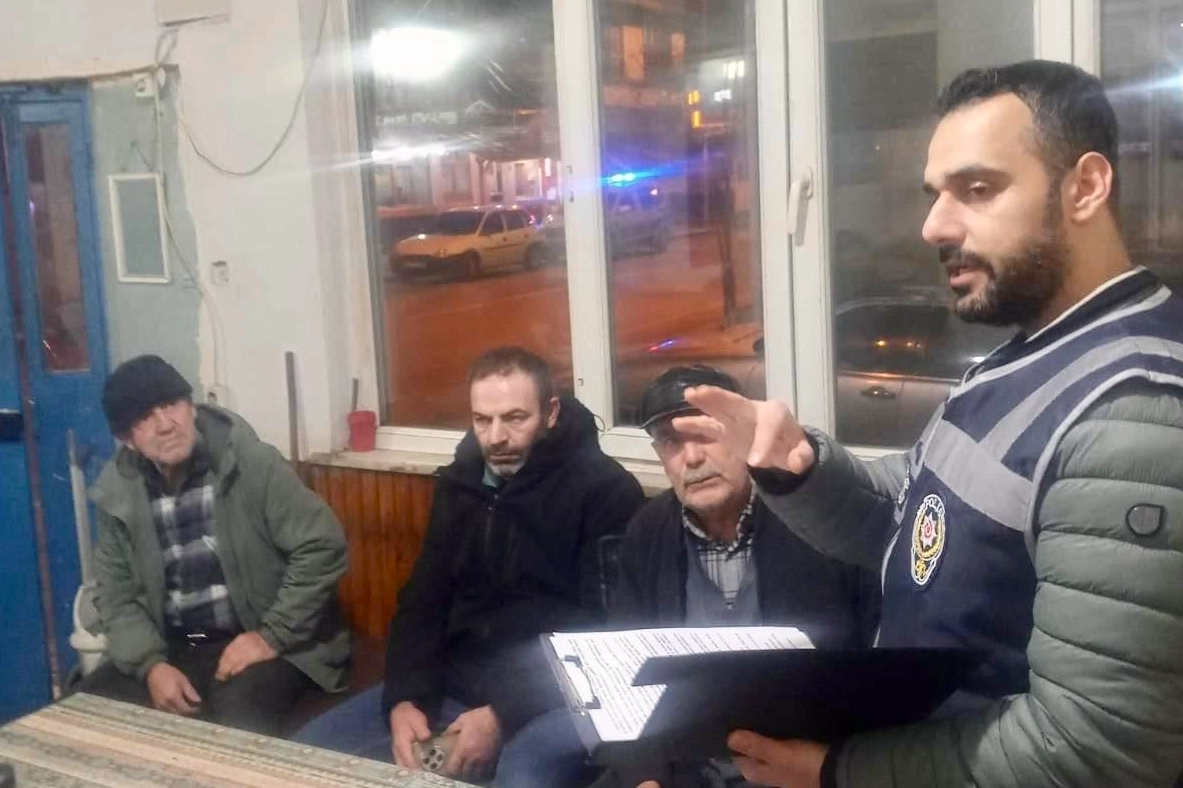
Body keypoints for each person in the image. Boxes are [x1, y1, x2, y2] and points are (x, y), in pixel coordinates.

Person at [673, 60, 1183, 788]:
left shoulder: (1130, 409)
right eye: (935, 194)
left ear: (1086, 187)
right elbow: (917, 520)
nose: (934, 225)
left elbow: (1096, 750)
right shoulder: (1026, 356)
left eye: (977, 189)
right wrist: (797, 467)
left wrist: (839, 771)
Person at [294, 346, 646, 788]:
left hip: (558, 699)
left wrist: (502, 713)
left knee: (523, 777)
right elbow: (423, 600)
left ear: (551, 413)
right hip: (454, 685)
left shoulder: (607, 492)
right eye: (482, 420)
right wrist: (404, 698)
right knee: (301, 755)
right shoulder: (460, 484)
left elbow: (602, 632)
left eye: (515, 418)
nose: (496, 437)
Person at [601, 366, 878, 788]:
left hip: (804, 766)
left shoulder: (814, 520)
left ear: (743, 435)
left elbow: (869, 667)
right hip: (683, 768)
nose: (692, 458)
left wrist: (832, 767)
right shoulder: (648, 532)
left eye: (705, 434)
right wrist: (645, 778)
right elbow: (622, 670)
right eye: (671, 442)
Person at [80, 354, 350, 736]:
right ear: (128, 440)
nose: (165, 424)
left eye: (171, 404)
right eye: (144, 418)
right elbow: (116, 597)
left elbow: (323, 546)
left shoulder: (251, 464)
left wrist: (271, 636)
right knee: (82, 713)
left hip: (257, 637)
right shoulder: (117, 494)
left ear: (191, 407)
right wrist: (150, 666)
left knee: (235, 733)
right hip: (175, 645)